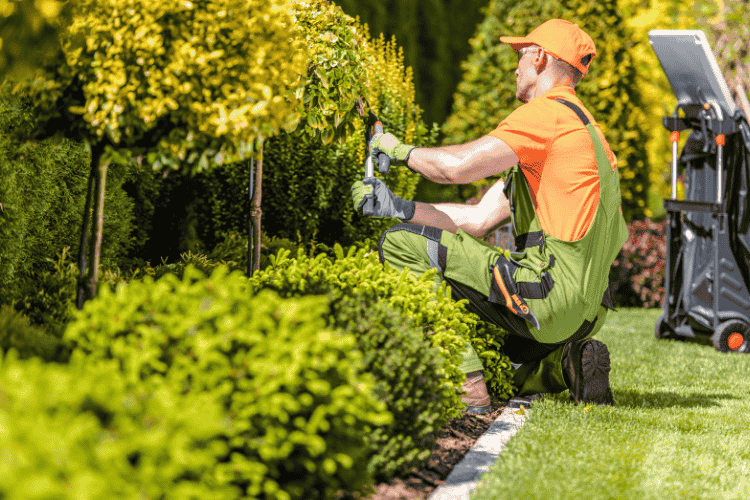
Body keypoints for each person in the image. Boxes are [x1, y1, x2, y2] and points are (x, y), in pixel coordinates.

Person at [351, 19, 629, 414]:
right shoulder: (585, 132)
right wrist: (398, 207)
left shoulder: (546, 115)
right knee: (495, 352)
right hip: (586, 313)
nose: (515, 67)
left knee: (399, 243)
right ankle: (563, 366)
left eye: (520, 56)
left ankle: (467, 389)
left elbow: (455, 169)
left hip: (549, 297)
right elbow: (478, 219)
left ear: (540, 58)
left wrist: (396, 150)